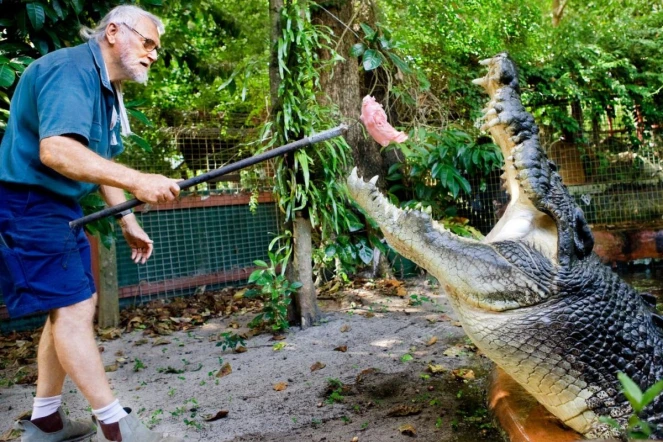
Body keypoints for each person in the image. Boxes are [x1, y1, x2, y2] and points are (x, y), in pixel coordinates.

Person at [0, 5, 183, 442]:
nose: (152, 54)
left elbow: (99, 164)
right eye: (148, 43)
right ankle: (116, 425)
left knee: (68, 308)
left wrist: (126, 218)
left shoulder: (105, 88)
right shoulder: (71, 70)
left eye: (156, 48)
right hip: (28, 205)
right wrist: (140, 180)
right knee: (76, 308)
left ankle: (46, 422)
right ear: (114, 31)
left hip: (60, 209)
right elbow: (58, 151)